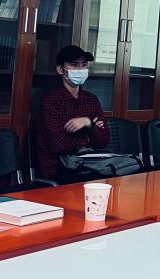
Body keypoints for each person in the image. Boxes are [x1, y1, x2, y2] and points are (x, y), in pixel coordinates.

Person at [36, 45, 110, 180]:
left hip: (89, 164)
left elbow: (103, 141)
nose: (80, 69)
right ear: (60, 70)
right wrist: (89, 137)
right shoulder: (50, 101)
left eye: (84, 65)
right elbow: (57, 144)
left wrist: (88, 123)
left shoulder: (91, 100)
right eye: (74, 65)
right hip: (58, 169)